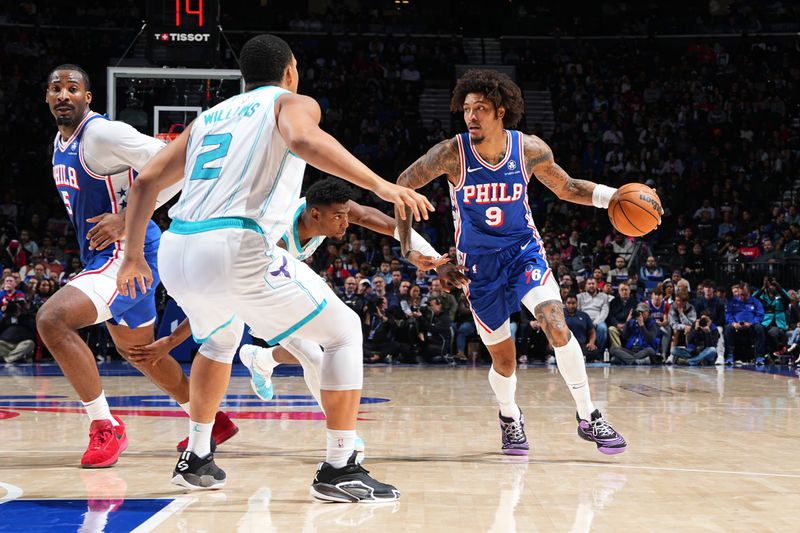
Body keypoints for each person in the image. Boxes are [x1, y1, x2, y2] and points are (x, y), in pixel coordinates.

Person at [117, 34, 434, 501]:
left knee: (220, 340)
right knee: (343, 329)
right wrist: (383, 185)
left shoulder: (208, 118)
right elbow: (304, 140)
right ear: (290, 70)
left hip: (177, 247)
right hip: (234, 241)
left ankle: (197, 457)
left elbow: (144, 181)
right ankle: (340, 467)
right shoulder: (291, 100)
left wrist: (131, 255)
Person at [394, 69, 642, 456]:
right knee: (505, 361)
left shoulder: (528, 149)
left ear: (501, 111)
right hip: (478, 266)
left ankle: (589, 414)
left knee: (556, 325)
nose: (471, 116)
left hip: (523, 251)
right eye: (466, 109)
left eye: (480, 109)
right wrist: (415, 251)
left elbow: (568, 186)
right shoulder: (450, 154)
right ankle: (510, 417)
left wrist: (614, 197)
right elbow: (400, 188)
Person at [38, 64, 237, 469]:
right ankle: (210, 420)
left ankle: (105, 426)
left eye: (72, 88)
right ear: (46, 96)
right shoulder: (61, 143)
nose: (63, 94)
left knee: (52, 320)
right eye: (56, 88)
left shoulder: (102, 134)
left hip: (130, 254)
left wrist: (130, 216)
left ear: (87, 97)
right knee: (140, 352)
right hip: (107, 255)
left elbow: (180, 167)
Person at [723, 283, 766, 365]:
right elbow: (728, 314)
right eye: (740, 295)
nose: (742, 297)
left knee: (760, 328)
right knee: (728, 328)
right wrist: (733, 323)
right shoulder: (732, 302)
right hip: (736, 326)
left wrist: (751, 323)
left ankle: (759, 357)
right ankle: (729, 356)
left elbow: (760, 315)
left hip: (751, 326)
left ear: (749, 292)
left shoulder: (755, 302)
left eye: (744, 295)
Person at [577, 278, 610, 354]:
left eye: (593, 283)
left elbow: (604, 312)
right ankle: (581, 353)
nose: (591, 285)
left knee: (602, 328)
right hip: (583, 320)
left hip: (598, 320)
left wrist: (596, 322)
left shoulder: (604, 296)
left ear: (597, 285)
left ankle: (599, 353)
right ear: (585, 286)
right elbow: (578, 311)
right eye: (589, 284)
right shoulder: (579, 297)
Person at [563, 294, 599, 361]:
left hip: (581, 345)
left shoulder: (584, 315)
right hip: (564, 345)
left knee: (594, 351)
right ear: (565, 303)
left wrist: (591, 342)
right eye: (569, 303)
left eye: (573, 303)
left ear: (577, 303)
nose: (571, 305)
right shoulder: (560, 315)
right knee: (552, 349)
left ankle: (573, 358)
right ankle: (579, 358)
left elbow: (592, 331)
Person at [606, 282, 638, 348]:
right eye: (622, 290)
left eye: (626, 290)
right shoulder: (613, 302)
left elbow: (635, 316)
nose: (624, 292)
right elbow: (611, 316)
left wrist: (626, 324)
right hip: (618, 326)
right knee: (611, 329)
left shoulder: (635, 302)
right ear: (619, 291)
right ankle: (619, 350)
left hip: (630, 327)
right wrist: (617, 324)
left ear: (629, 291)